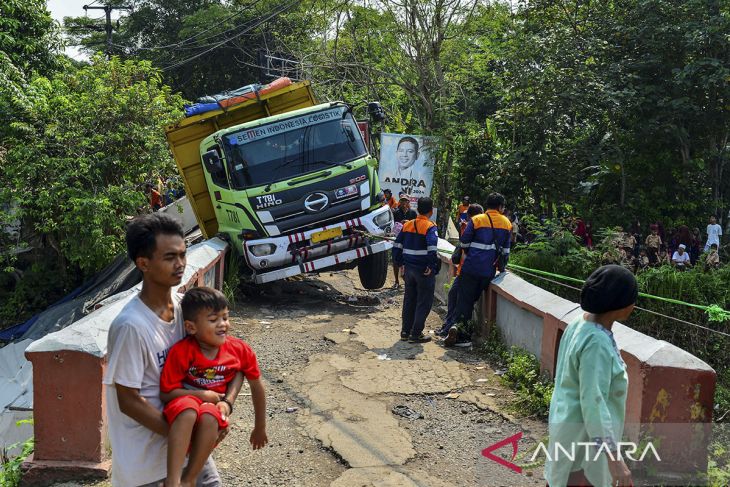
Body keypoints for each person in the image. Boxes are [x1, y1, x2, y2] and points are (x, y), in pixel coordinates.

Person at [104, 213, 240, 486]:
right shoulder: (131, 326)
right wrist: (183, 434)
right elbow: (128, 401)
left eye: (182, 254)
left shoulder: (186, 311)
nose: (180, 264)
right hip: (146, 468)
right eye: (169, 257)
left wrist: (221, 409)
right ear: (143, 263)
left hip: (189, 455)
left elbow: (220, 362)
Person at [161, 287, 267, 487]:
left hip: (213, 408)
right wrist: (203, 394)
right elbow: (166, 393)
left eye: (225, 317)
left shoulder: (239, 350)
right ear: (191, 327)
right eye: (213, 320)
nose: (223, 324)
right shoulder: (182, 351)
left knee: (211, 414)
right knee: (188, 410)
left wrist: (259, 427)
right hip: (185, 402)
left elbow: (257, 385)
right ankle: (173, 481)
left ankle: (189, 479)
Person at [545, 265, 636, 487]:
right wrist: (614, 460)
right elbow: (594, 405)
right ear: (620, 303)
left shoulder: (580, 322)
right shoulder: (597, 343)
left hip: (567, 429)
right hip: (584, 445)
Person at [445, 193, 511, 347]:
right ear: (500, 207)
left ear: (487, 205)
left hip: (470, 268)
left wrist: (472, 255)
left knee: (465, 301)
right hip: (488, 271)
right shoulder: (507, 223)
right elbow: (506, 251)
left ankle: (462, 334)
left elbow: (464, 243)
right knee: (473, 299)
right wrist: (501, 268)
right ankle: (459, 328)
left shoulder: (476, 220)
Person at [392, 197, 439, 343]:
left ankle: (405, 331)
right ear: (431, 211)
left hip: (409, 269)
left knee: (409, 300)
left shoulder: (408, 225)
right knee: (424, 301)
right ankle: (416, 333)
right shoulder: (430, 226)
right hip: (423, 270)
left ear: (417, 209)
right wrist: (431, 266)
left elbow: (397, 246)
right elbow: (432, 248)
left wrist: (400, 263)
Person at [436, 204, 484, 339]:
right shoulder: (468, 227)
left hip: (470, 271)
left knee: (461, 301)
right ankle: (449, 327)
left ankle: (458, 330)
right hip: (464, 270)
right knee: (453, 295)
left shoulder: (478, 228)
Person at [391, 197, 418, 288]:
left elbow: (416, 225)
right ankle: (396, 281)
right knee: (395, 259)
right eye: (402, 200)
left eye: (405, 200)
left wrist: (408, 222)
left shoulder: (413, 213)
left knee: (407, 260)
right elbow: (392, 226)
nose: (403, 202)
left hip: (409, 239)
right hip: (398, 239)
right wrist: (400, 223)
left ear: (408, 202)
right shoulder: (395, 213)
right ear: (400, 202)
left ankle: (407, 281)